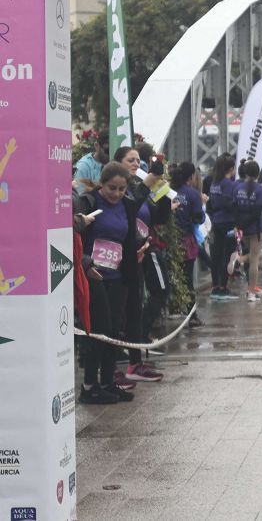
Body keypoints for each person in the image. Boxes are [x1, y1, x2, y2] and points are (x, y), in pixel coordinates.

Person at [74, 162, 160, 404]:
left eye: (122, 189)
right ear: (102, 183)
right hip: (92, 276)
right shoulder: (88, 203)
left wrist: (137, 249)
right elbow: (74, 238)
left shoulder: (126, 205)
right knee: (98, 331)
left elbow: (126, 237)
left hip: (117, 277)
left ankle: (107, 382)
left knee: (113, 332)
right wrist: (86, 264)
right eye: (112, 188)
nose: (117, 194)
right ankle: (89, 385)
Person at [113, 146, 168, 383]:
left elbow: (157, 217)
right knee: (117, 313)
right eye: (130, 160)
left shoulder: (137, 187)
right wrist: (148, 182)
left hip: (139, 254)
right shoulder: (118, 192)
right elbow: (129, 207)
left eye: (138, 160)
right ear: (117, 164)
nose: (136, 163)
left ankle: (135, 364)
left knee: (134, 310)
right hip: (118, 260)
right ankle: (109, 368)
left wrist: (164, 192)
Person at [170, 162, 205, 327]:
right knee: (187, 278)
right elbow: (199, 217)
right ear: (191, 177)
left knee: (171, 276)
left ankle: (173, 309)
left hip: (168, 241)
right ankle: (192, 316)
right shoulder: (192, 193)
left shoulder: (167, 191)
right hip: (186, 240)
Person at [234, 160, 262, 303]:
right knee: (254, 260)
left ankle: (239, 259)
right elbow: (257, 211)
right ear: (258, 173)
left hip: (243, 229)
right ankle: (251, 292)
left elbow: (234, 208)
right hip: (256, 228)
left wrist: (239, 225)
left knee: (251, 256)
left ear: (245, 173)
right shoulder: (261, 190)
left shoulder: (237, 188)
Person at [207, 155, 238, 300]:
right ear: (231, 169)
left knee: (216, 255)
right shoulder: (228, 184)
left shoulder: (214, 183)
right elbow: (228, 202)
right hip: (229, 222)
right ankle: (223, 287)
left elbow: (212, 203)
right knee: (229, 255)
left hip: (216, 221)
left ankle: (214, 287)